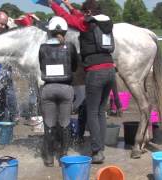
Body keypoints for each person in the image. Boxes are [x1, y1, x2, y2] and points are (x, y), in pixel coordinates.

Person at [48, 0, 116, 163]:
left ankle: (97, 151)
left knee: (92, 112)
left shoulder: (86, 24)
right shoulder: (104, 22)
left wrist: (52, 4)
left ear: (88, 13)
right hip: (110, 71)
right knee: (100, 111)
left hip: (95, 72)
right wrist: (70, 6)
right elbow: (78, 16)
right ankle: (100, 147)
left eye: (84, 12)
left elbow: (66, 18)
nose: (82, 14)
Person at [39, 16, 78, 167]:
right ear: (65, 32)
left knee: (49, 123)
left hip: (48, 88)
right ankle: (63, 156)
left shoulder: (42, 48)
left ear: (49, 32)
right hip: (65, 88)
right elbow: (74, 67)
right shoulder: (70, 47)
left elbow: (41, 66)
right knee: (65, 122)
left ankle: (49, 157)